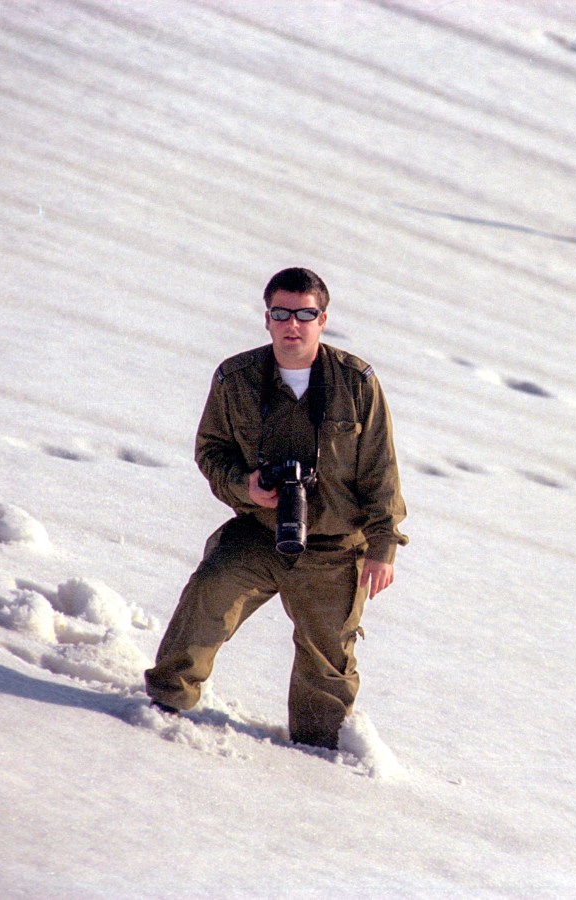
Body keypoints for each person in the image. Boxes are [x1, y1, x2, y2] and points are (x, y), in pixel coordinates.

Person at [144, 267, 407, 750]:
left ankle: (312, 757)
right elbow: (211, 451)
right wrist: (244, 487)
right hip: (260, 531)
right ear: (267, 319)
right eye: (282, 313)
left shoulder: (356, 383)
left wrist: (383, 545)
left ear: (322, 320)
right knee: (208, 595)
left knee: (327, 663)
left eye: (305, 314)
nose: (293, 324)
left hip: (334, 547)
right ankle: (163, 704)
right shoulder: (235, 378)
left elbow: (380, 471)